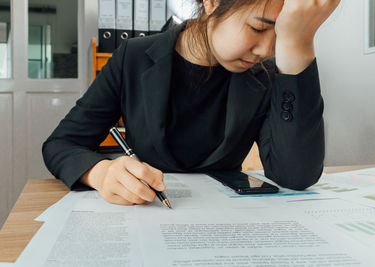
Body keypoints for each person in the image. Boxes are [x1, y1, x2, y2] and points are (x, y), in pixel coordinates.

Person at [42, 0, 340, 206]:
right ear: (211, 3)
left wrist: (298, 45)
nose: (267, 49)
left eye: (280, 35)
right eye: (259, 29)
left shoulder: (268, 72)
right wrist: (100, 172)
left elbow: (295, 175)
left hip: (232, 224)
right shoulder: (132, 57)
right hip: (145, 213)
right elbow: (61, 144)